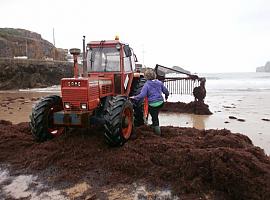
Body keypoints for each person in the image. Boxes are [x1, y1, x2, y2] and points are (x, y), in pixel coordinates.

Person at [130, 68, 169, 135]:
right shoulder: (159, 83)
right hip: (161, 103)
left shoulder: (147, 85)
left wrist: (134, 97)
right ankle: (154, 125)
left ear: (146, 76)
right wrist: (166, 96)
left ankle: (158, 134)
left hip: (153, 104)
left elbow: (142, 95)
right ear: (154, 75)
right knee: (155, 114)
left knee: (155, 118)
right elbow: (166, 91)